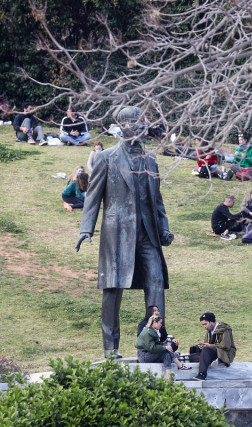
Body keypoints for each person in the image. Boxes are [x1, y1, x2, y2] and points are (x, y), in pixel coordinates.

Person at [76, 106, 174, 359]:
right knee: (112, 291)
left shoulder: (150, 159)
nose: (141, 126)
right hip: (117, 234)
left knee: (156, 283)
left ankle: (153, 339)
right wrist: (86, 228)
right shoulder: (106, 157)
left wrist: (164, 227)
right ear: (123, 126)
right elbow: (93, 196)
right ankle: (110, 347)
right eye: (135, 122)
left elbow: (158, 200)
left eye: (143, 122)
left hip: (148, 235)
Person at [188, 312, 235, 381]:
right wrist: (202, 346)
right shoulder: (209, 331)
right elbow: (206, 344)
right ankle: (209, 360)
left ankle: (202, 374)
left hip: (224, 352)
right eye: (203, 325)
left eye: (205, 324)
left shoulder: (224, 329)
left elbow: (226, 345)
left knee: (206, 350)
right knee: (193, 350)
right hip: (213, 351)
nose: (204, 326)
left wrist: (210, 345)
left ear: (211, 322)